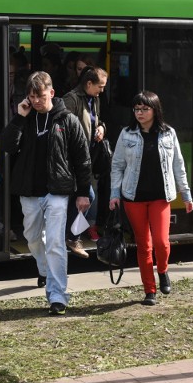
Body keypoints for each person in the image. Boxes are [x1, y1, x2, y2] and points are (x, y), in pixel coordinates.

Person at [0, 71, 92, 315]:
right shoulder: (26, 118)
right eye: (31, 97)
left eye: (40, 96)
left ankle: (58, 296)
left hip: (58, 191)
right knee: (31, 237)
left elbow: (83, 159)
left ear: (51, 93)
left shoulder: (67, 120)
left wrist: (83, 192)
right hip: (29, 191)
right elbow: (7, 146)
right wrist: (19, 117)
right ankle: (43, 269)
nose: (36, 101)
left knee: (54, 242)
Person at [109, 91, 193, 306]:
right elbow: (117, 165)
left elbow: (178, 166)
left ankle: (163, 271)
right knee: (144, 245)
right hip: (133, 197)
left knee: (161, 242)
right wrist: (114, 194)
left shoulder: (168, 133)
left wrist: (186, 194)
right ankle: (150, 290)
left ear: (155, 110)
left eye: (144, 109)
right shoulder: (126, 133)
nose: (140, 113)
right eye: (136, 109)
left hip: (160, 196)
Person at [63, 66, 109, 256]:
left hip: (86, 160)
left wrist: (101, 128)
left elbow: (96, 121)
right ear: (88, 84)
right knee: (87, 196)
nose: (102, 90)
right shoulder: (71, 99)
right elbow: (62, 130)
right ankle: (70, 236)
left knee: (82, 198)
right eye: (100, 86)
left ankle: (70, 236)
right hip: (72, 161)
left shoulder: (94, 99)